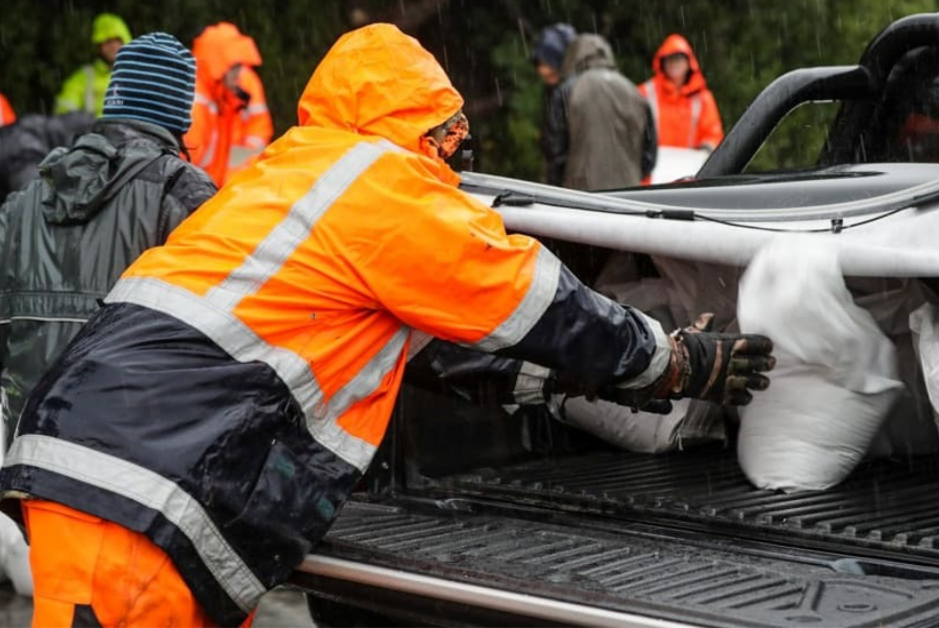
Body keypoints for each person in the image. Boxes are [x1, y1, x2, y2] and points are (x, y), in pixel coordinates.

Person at [0, 24, 774, 627]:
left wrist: (572, 376)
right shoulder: (382, 185)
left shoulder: (287, 174)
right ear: (408, 122)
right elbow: (536, 298)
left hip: (113, 465)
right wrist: (671, 363)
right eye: (444, 132)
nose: (453, 152)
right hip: (137, 495)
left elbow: (432, 346)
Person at [0, 32, 215, 451]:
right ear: (180, 116)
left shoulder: (25, 199)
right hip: (124, 467)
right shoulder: (184, 195)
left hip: (20, 459)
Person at [544, 33, 657, 191]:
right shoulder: (635, 92)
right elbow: (649, 157)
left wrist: (555, 186)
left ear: (573, 56)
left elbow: (555, 151)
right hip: (627, 197)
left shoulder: (568, 90)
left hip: (579, 196)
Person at [186, 22, 273, 187]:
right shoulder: (198, 108)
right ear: (218, 67)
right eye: (234, 68)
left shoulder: (220, 99)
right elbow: (181, 173)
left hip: (211, 195)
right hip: (197, 200)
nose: (239, 75)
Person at [639, 34, 724, 151]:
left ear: (689, 62)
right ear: (662, 62)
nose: (674, 63)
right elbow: (632, 127)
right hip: (653, 165)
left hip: (691, 165)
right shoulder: (646, 92)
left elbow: (713, 133)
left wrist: (707, 148)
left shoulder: (703, 98)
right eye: (670, 59)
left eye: (678, 58)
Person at [54, 13, 132, 117]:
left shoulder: (141, 74)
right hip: (93, 131)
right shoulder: (83, 78)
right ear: (98, 46)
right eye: (107, 41)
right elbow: (63, 115)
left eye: (116, 40)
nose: (112, 46)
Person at [532, 23, 576, 185]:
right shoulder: (552, 90)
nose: (542, 71)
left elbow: (559, 150)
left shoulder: (573, 92)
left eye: (548, 63)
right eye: (540, 64)